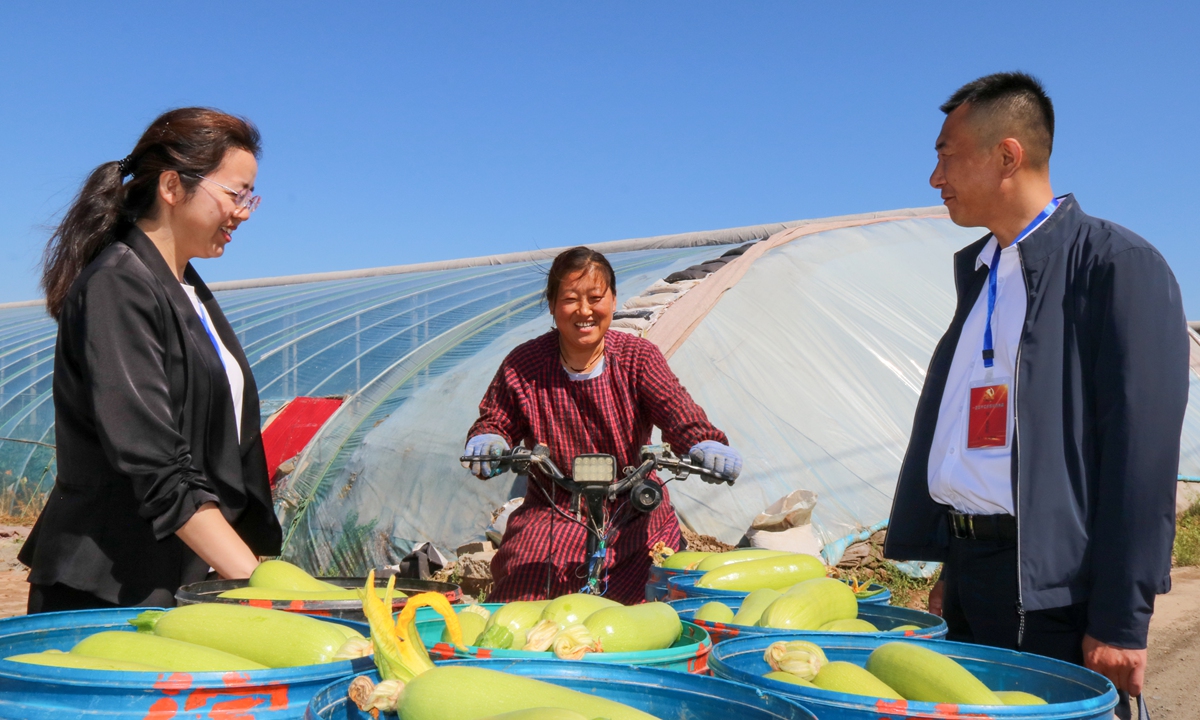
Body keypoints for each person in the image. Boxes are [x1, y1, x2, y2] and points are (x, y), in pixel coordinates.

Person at [883, 72, 1189, 700]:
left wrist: (1120, 619)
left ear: (1007, 155)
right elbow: (977, 442)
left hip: (1054, 589)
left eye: (945, 155)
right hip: (974, 573)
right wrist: (953, 567)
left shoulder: (1115, 267)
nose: (935, 177)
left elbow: (1141, 456)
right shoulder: (983, 274)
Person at [19, 108, 282, 612]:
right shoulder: (119, 284)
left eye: (251, 196)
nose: (245, 211)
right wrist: (256, 581)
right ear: (171, 186)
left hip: (180, 580)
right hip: (111, 590)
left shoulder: (187, 290)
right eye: (235, 193)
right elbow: (155, 463)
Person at [462, 247, 742, 604]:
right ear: (551, 305)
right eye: (570, 299)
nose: (584, 311)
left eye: (595, 298)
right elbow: (496, 419)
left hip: (632, 510)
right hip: (554, 510)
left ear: (612, 300)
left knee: (659, 598)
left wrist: (703, 443)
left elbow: (677, 411)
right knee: (521, 596)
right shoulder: (524, 364)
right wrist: (489, 440)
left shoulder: (638, 358)